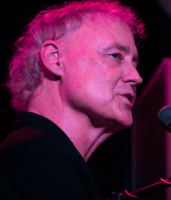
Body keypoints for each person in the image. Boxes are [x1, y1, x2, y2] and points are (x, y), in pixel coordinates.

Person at [0, 0, 145, 199]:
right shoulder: (47, 162)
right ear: (55, 59)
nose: (136, 77)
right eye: (115, 56)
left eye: (134, 63)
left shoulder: (40, 157)